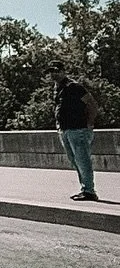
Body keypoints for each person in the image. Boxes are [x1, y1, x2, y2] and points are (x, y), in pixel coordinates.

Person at [53, 66, 99, 202]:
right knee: (75, 161)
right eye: (50, 71)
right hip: (65, 130)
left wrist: (89, 124)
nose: (53, 74)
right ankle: (85, 189)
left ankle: (89, 191)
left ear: (63, 71)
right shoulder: (58, 89)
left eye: (56, 70)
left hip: (78, 129)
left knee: (82, 161)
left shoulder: (74, 87)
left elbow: (92, 104)